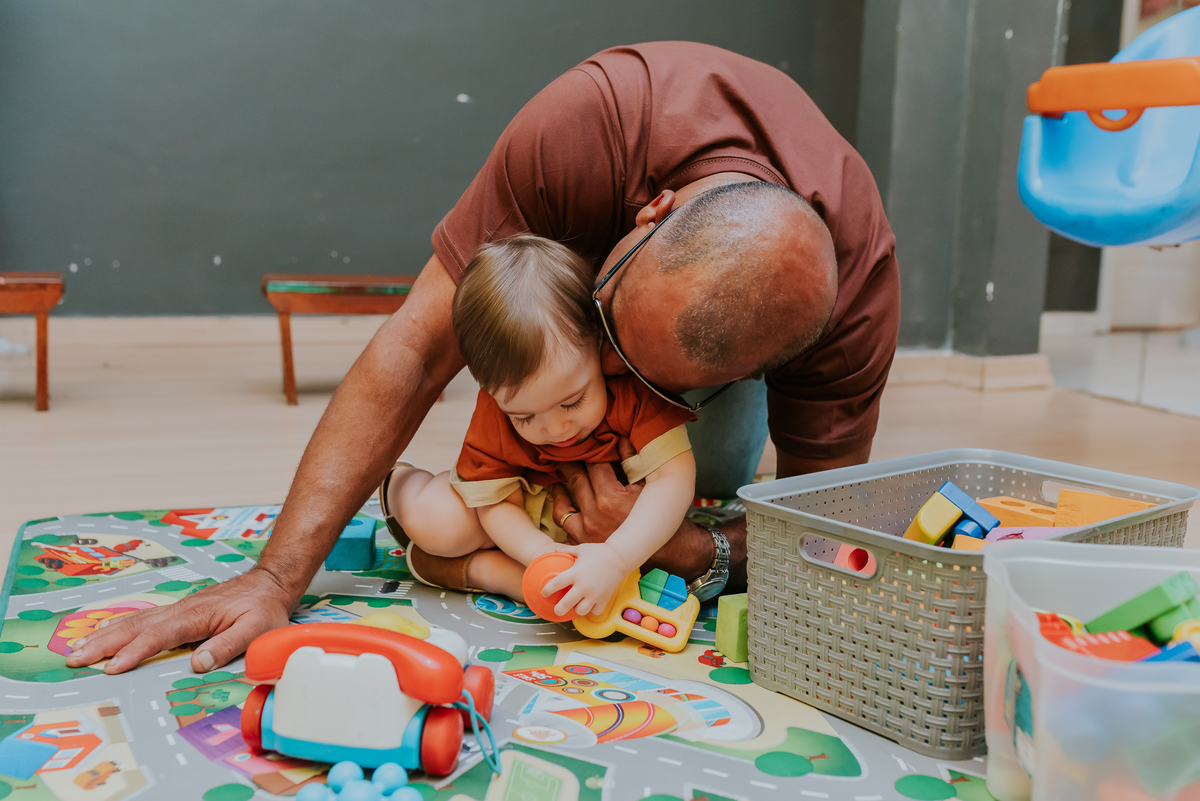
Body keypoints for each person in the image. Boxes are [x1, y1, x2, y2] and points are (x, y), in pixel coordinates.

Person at [66, 41, 899, 676]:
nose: (612, 392)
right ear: (647, 213)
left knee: (716, 469)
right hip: (564, 314)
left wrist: (682, 548)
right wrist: (276, 575)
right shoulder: (593, 123)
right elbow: (416, 348)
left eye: (647, 378)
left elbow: (819, 539)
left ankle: (679, 401)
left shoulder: (857, 299)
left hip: (699, 416)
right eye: (610, 326)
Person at [386, 234, 697, 616]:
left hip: (582, 520)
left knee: (633, 544)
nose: (554, 428)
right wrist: (543, 554)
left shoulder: (632, 387)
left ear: (598, 345)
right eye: (524, 417)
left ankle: (483, 571)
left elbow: (674, 478)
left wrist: (615, 558)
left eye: (572, 401)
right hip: (520, 513)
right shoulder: (494, 412)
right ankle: (398, 483)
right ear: (489, 391)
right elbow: (497, 505)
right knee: (438, 523)